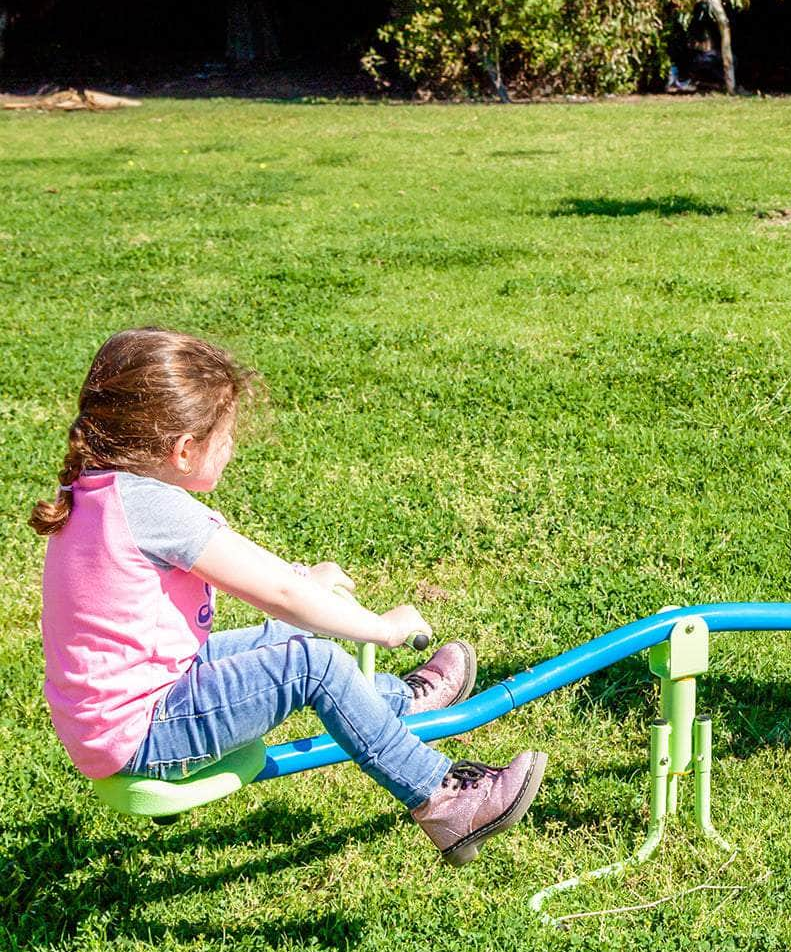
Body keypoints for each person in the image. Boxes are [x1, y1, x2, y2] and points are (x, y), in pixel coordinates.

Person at [31, 328, 545, 866]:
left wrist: (303, 579)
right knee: (313, 663)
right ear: (184, 450)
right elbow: (277, 593)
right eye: (225, 435)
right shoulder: (154, 509)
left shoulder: (101, 486)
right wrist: (381, 628)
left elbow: (257, 572)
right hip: (143, 732)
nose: (232, 446)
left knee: (286, 639)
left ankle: (396, 701)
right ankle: (446, 800)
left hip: (129, 703)